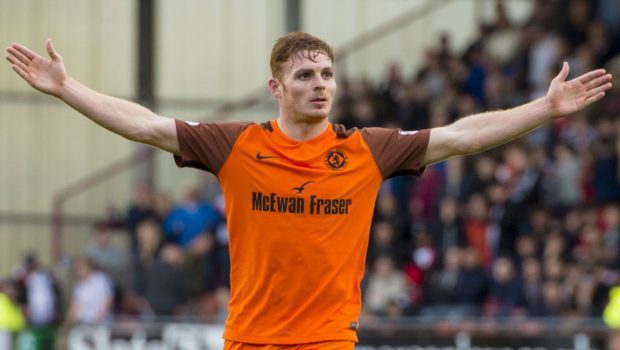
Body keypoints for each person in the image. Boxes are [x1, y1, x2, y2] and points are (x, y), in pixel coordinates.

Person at [5, 32, 612, 349]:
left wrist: (544, 108)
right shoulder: (235, 145)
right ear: (277, 87)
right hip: (249, 341)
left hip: (327, 341)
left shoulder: (368, 149)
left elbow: (460, 136)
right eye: (305, 76)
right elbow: (141, 123)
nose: (321, 85)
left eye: (327, 74)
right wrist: (68, 88)